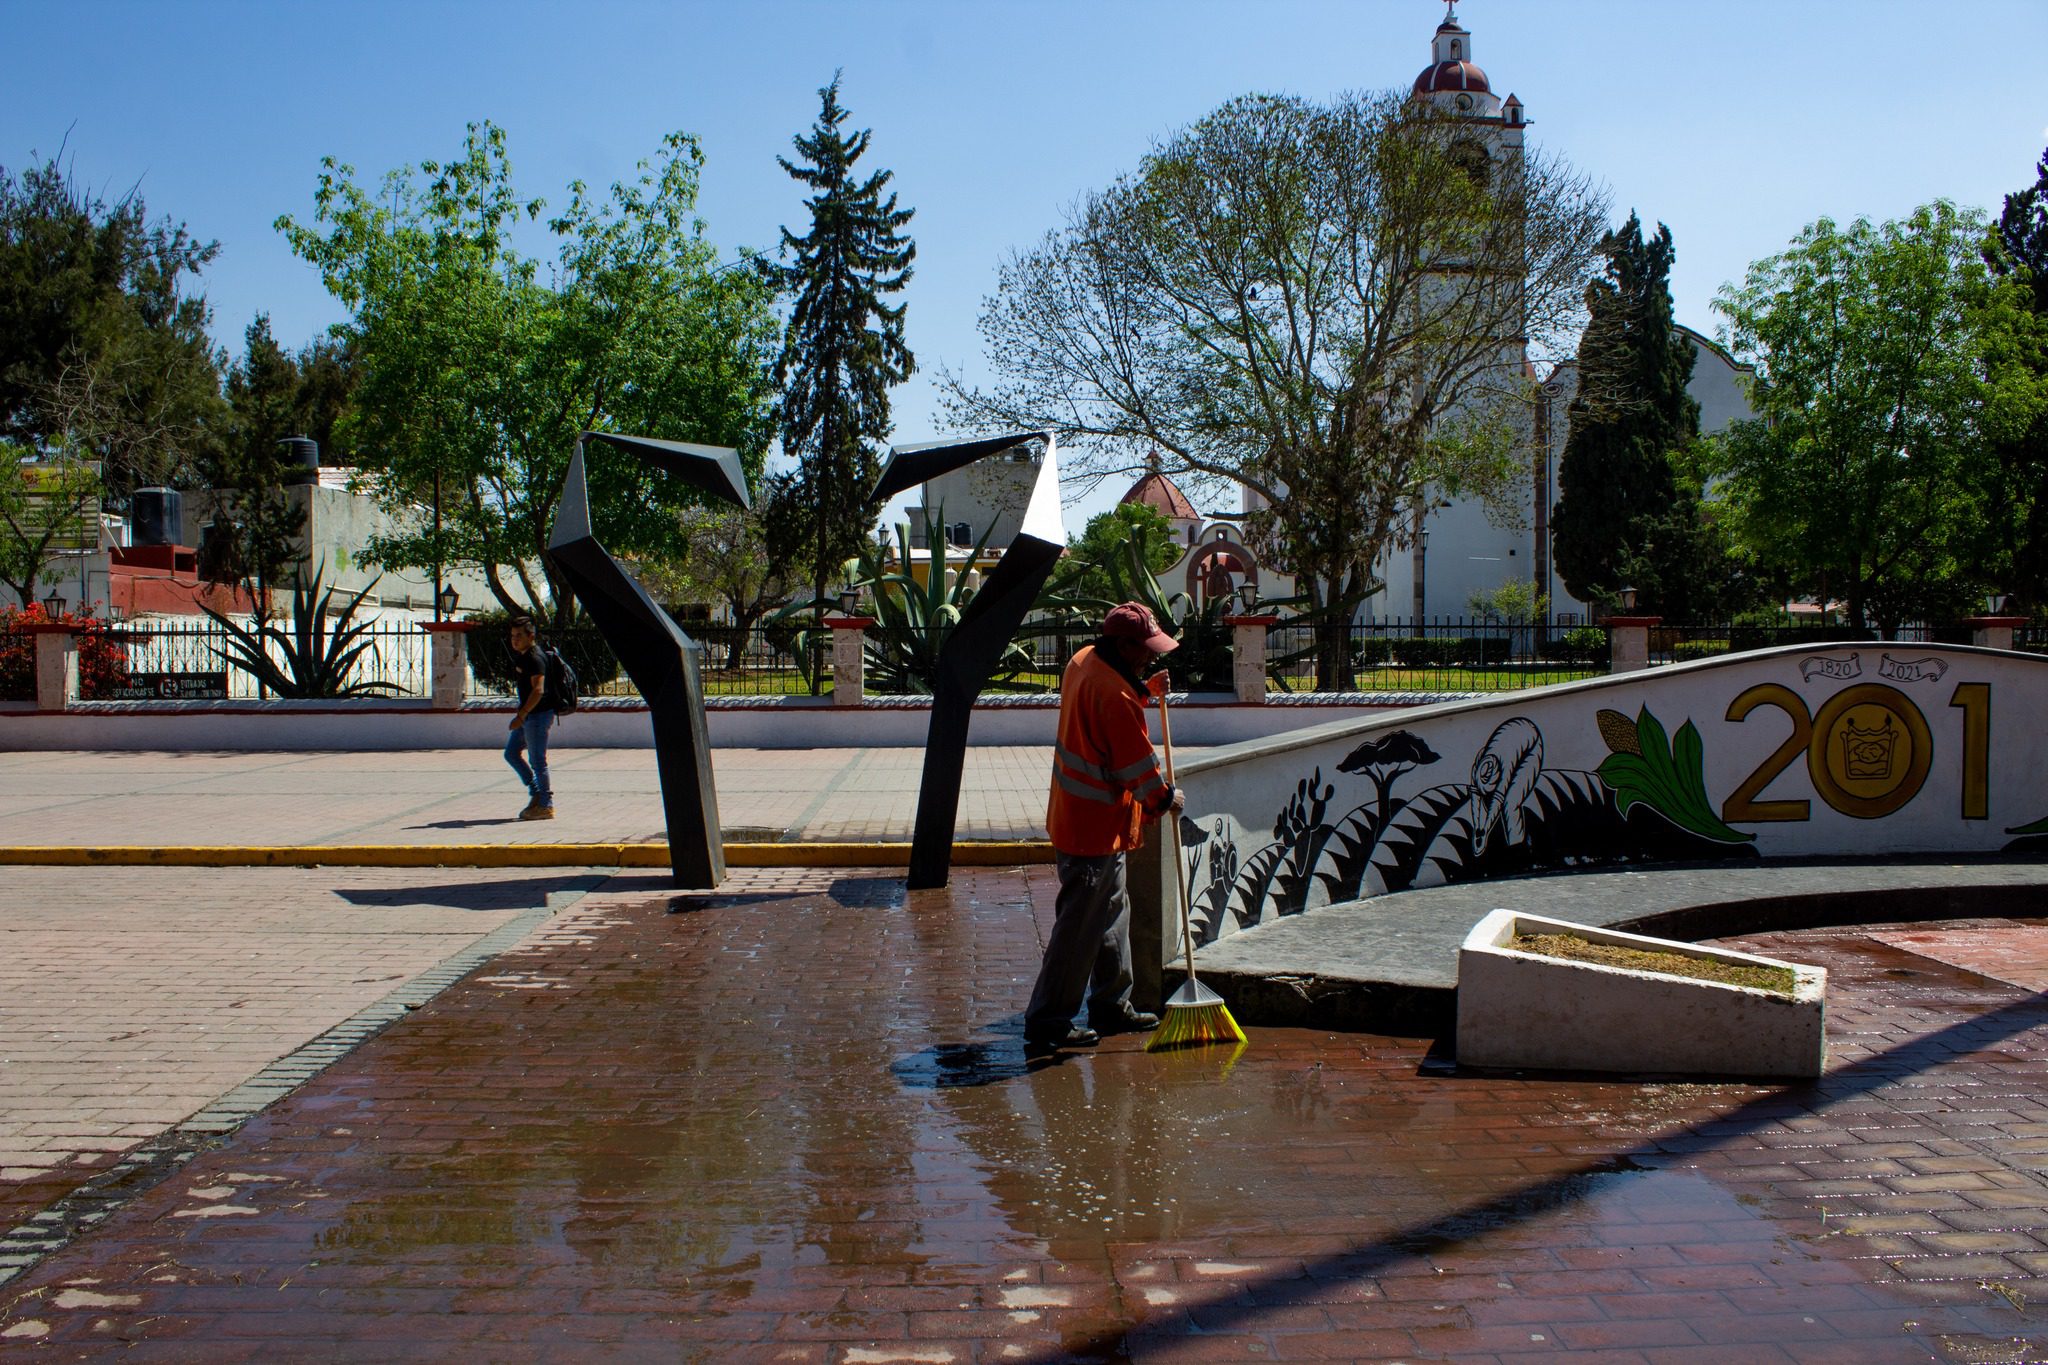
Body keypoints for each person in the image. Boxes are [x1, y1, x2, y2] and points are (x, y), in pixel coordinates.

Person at [1024, 602, 1187, 1051]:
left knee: (1113, 914)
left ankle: (1112, 1005)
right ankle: (1048, 1020)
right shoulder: (1115, 696)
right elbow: (1136, 766)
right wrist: (1166, 798)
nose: (1152, 657)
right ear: (1121, 644)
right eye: (1146, 650)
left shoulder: (1083, 662)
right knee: (1079, 931)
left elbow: (1106, 707)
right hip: (1091, 829)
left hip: (1083, 820)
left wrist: (1143, 689)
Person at [504, 616, 560, 821]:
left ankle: (546, 804)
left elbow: (538, 690)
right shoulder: (523, 656)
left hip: (537, 716)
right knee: (511, 753)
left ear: (531, 636)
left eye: (519, 636)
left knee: (538, 761)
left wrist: (521, 716)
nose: (515, 640)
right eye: (512, 636)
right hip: (528, 715)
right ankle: (536, 792)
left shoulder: (535, 658)